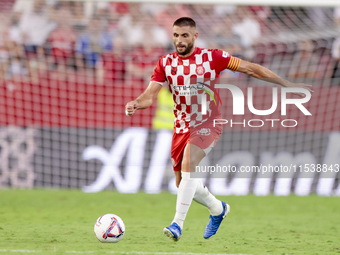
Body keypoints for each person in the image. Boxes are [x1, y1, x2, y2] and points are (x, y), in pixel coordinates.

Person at [125, 17, 312, 241]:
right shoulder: (165, 63)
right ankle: (218, 209)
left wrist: (286, 85)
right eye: (176, 35)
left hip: (208, 123)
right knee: (183, 182)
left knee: (189, 164)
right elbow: (149, 96)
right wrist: (136, 103)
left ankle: (177, 224)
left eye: (184, 35)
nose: (179, 40)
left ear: (195, 36)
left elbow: (250, 68)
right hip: (181, 127)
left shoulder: (212, 57)